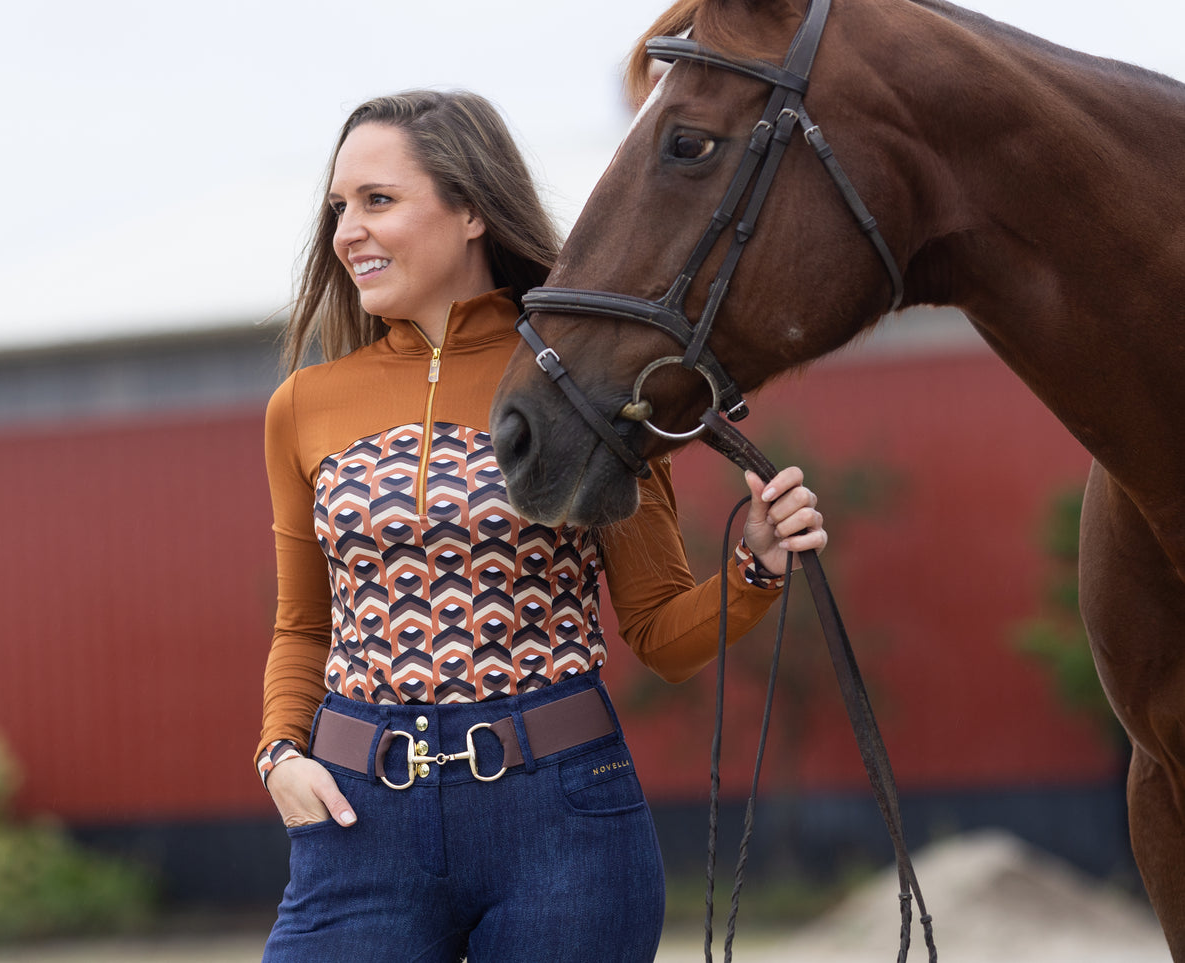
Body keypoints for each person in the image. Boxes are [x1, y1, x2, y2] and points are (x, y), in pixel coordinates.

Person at [256, 89, 826, 963]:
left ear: (473, 208)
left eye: (378, 200)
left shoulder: (585, 381)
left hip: (561, 821)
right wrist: (279, 755)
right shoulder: (304, 404)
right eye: (340, 207)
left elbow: (660, 632)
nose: (346, 233)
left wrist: (756, 563)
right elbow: (305, 623)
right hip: (356, 822)